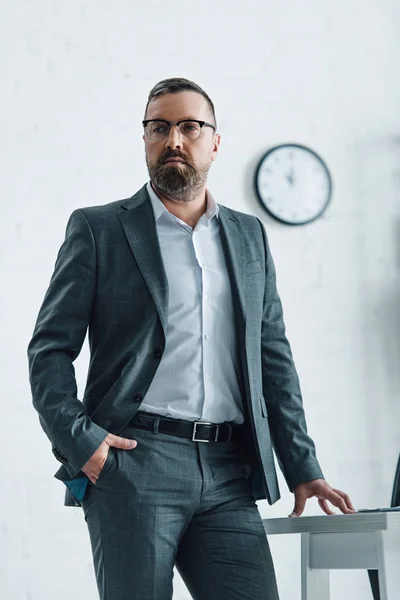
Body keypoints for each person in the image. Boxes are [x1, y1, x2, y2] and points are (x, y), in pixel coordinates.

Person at [27, 77, 355, 600]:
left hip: (229, 470)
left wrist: (303, 467)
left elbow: (273, 357)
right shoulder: (99, 230)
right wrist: (84, 445)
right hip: (135, 462)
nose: (173, 139)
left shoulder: (249, 235)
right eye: (159, 128)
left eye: (189, 126)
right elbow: (48, 351)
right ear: (145, 140)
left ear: (215, 142)